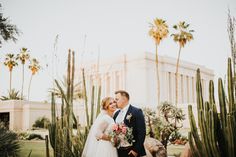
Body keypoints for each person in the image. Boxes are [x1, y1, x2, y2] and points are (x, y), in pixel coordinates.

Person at [113, 90, 146, 157]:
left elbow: (142, 132)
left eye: (117, 99)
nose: (115, 102)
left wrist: (135, 150)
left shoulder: (136, 111)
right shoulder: (116, 114)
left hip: (131, 151)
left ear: (124, 99)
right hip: (117, 151)